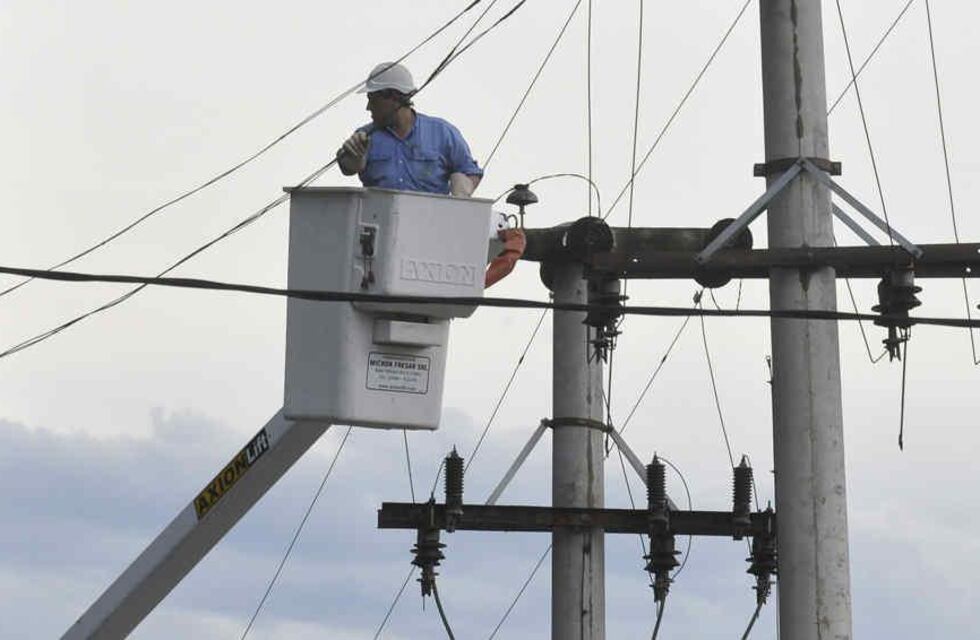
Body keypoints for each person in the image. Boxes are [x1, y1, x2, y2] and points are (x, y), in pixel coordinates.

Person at [336, 62, 483, 197]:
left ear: (393, 97)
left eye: (372, 99)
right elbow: (348, 167)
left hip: (431, 222)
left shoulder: (442, 133)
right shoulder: (365, 138)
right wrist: (353, 158)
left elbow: (469, 172)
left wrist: (461, 195)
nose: (368, 107)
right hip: (381, 222)